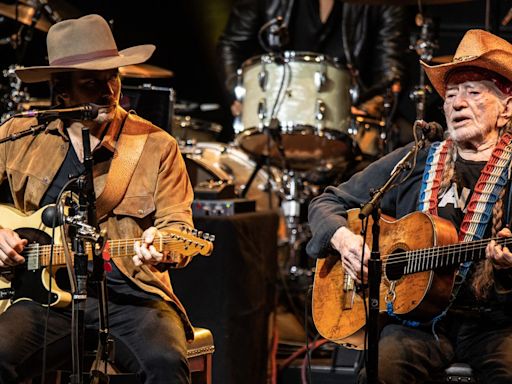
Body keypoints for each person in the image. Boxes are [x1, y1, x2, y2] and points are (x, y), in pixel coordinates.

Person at [307, 29, 512, 383]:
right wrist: (345, 241)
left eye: (473, 93)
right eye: (450, 96)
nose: (457, 104)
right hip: (417, 325)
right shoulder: (416, 160)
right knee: (383, 368)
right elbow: (327, 202)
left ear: (507, 107)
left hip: (494, 325)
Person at [0, 14, 196, 383]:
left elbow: (177, 225)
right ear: (62, 90)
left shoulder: (156, 146)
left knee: (164, 363)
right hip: (42, 302)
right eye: (92, 82)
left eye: (113, 76)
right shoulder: (19, 136)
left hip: (132, 298)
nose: (108, 90)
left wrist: (165, 246)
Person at [217, 0, 407, 144]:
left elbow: (390, 71)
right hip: (274, 117)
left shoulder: (380, 5)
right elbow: (231, 44)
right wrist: (240, 93)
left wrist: (366, 109)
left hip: (348, 122)